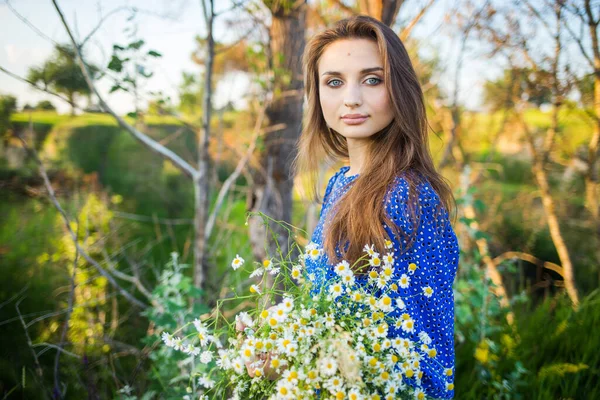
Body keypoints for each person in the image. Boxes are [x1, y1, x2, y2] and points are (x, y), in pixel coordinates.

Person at [242, 14, 460, 399]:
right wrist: (279, 350)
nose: (351, 98)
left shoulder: (409, 197)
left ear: (400, 90)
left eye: (372, 79)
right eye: (334, 82)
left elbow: (425, 368)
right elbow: (336, 325)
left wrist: (292, 366)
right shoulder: (340, 183)